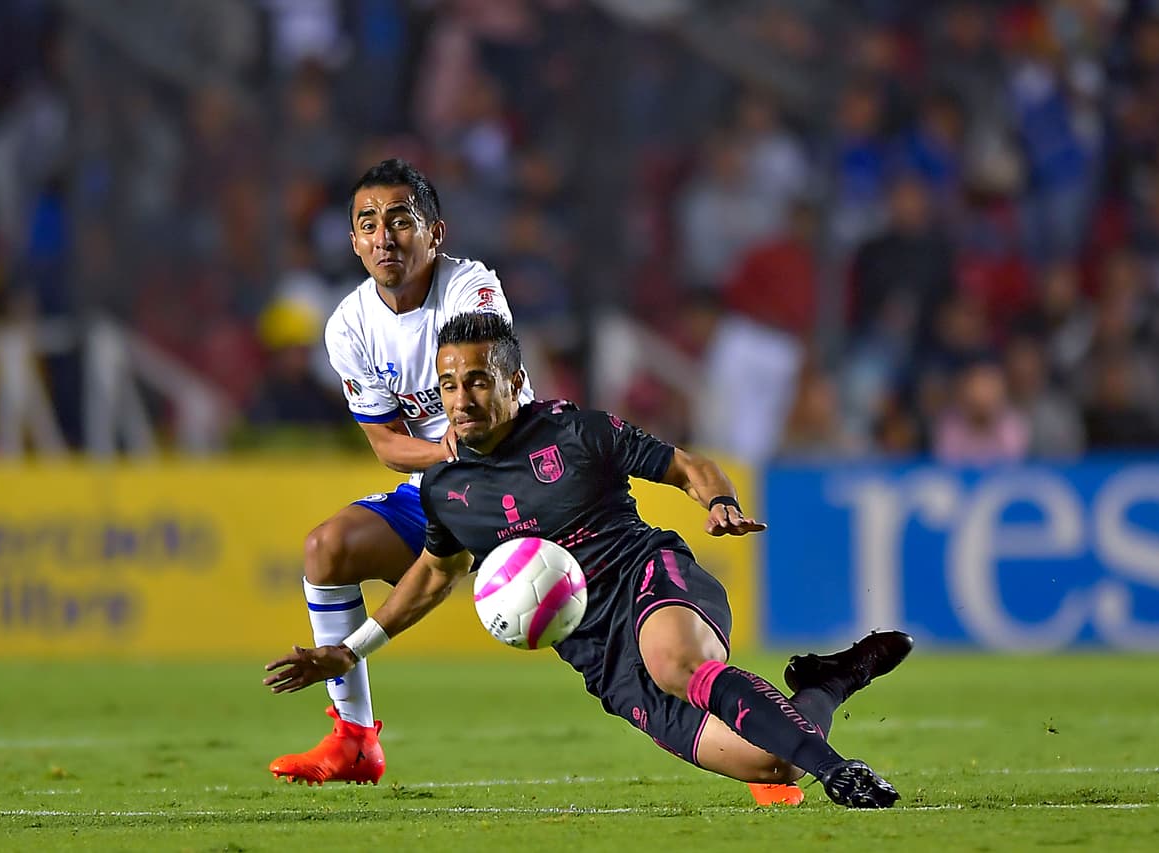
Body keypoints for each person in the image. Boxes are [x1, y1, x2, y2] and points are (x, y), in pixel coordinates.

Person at [264, 312, 913, 808]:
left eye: (478, 381)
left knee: (676, 664)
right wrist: (352, 649)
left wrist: (718, 500)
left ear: (513, 382)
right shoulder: (445, 488)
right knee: (773, 764)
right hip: (600, 655)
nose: (460, 400)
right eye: (449, 385)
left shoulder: (577, 432)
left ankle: (841, 772)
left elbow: (686, 465)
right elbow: (435, 574)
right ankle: (835, 679)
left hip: (648, 579)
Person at [267, 160, 534, 786]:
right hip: (443, 484)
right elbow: (387, 443)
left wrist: (461, 448)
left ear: (435, 233)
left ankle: (743, 731)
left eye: (399, 220)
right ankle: (354, 740)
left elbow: (485, 398)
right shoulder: (348, 325)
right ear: (353, 241)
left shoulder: (471, 289)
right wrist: (444, 456)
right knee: (326, 548)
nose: (383, 237)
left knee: (607, 626)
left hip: (522, 476)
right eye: (368, 224)